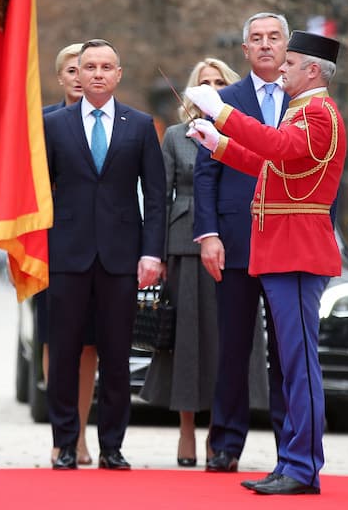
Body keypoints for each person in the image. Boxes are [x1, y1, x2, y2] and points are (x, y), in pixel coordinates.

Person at [186, 29, 346, 495]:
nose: (281, 69)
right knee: (293, 364)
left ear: (313, 70)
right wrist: (217, 143)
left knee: (299, 366)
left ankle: (302, 467)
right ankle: (294, 462)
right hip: (284, 249)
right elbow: (271, 164)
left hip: (297, 251)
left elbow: (276, 150)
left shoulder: (318, 114)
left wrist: (222, 111)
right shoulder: (305, 113)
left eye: (291, 63)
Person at [43, 38, 166, 470]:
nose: (97, 73)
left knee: (116, 356)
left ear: (119, 74)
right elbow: (39, 193)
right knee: (63, 353)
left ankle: (112, 446)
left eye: (106, 66)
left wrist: (153, 254)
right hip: (67, 255)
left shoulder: (140, 125)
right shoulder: (55, 125)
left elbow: (155, 198)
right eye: (89, 66)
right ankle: (64, 444)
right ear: (78, 71)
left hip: (121, 258)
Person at [192, 12, 291, 474]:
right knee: (233, 345)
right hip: (234, 241)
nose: (266, 45)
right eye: (257, 38)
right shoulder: (223, 102)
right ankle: (226, 444)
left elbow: (327, 175)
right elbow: (206, 173)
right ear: (245, 49)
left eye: (274, 37)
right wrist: (208, 234)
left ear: (287, 46)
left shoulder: (305, 102)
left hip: (289, 241)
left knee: (286, 350)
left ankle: (290, 447)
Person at [139, 58, 240, 468]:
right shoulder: (177, 137)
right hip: (183, 246)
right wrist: (157, 254)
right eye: (204, 82)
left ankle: (221, 433)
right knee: (186, 344)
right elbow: (159, 198)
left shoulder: (243, 133)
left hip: (230, 247)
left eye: (219, 81)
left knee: (223, 344)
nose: (212, 86)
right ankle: (185, 432)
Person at [38, 43, 98, 466]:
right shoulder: (43, 123)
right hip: (53, 247)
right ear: (60, 77)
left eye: (87, 69)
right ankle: (61, 432)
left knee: (90, 345)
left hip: (101, 250)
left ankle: (81, 433)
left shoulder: (115, 122)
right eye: (71, 70)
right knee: (56, 342)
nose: (80, 77)